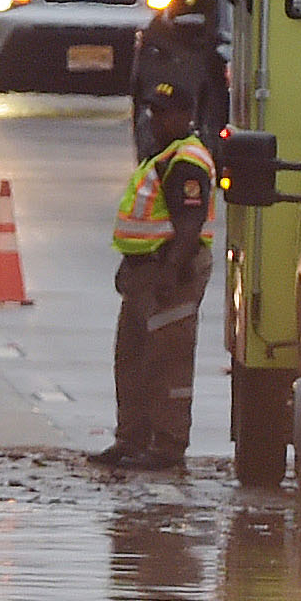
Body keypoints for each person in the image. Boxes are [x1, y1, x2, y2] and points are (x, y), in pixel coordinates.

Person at [99, 95, 218, 473]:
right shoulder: (162, 156)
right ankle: (131, 439)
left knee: (168, 363)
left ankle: (167, 446)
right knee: (132, 359)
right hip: (145, 272)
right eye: (154, 113)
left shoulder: (186, 162)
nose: (157, 120)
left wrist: (170, 272)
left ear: (187, 115)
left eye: (167, 113)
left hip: (170, 273)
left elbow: (189, 225)